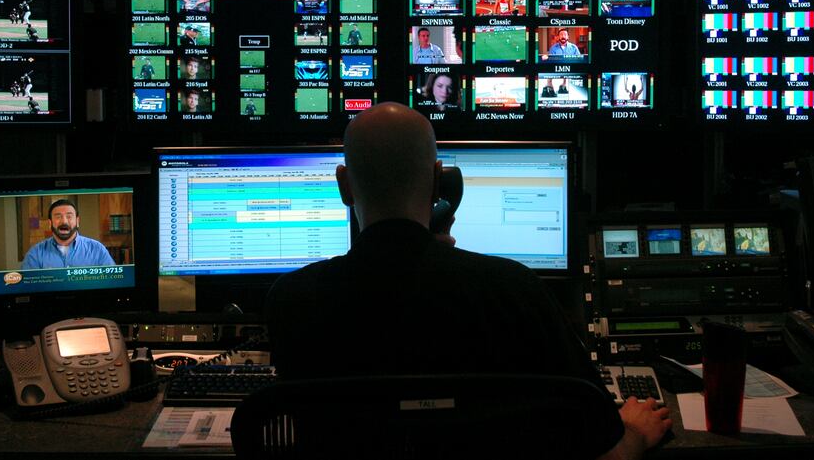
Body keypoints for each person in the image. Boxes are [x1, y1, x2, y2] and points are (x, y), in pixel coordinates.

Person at [265, 103, 670, 460]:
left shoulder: (291, 302)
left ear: (344, 185)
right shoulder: (515, 290)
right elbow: (602, 447)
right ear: (439, 178)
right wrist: (634, 432)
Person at [21, 200, 115, 270]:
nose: (64, 221)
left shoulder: (97, 249)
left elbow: (112, 282)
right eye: (58, 217)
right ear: (50, 223)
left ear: (77, 221)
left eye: (69, 216)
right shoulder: (35, 253)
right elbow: (27, 287)